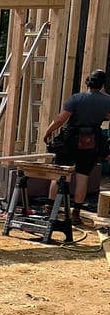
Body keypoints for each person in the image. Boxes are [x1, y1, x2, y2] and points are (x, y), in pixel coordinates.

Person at [43, 69, 110, 224]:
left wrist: (48, 132)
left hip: (70, 141)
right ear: (102, 85)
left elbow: (61, 119)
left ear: (87, 82)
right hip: (91, 141)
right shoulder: (107, 101)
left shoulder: (76, 98)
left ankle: (50, 209)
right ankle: (76, 214)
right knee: (83, 177)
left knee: (59, 174)